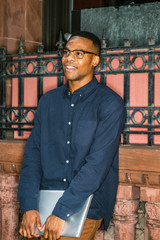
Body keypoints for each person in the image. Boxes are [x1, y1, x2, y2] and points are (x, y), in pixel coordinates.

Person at [18, 31, 125, 240]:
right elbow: (33, 157)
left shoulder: (110, 104)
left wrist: (61, 211)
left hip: (85, 204)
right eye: (66, 52)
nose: (68, 58)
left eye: (78, 53)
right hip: (44, 202)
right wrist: (29, 207)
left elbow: (97, 165)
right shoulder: (48, 101)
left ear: (95, 60)